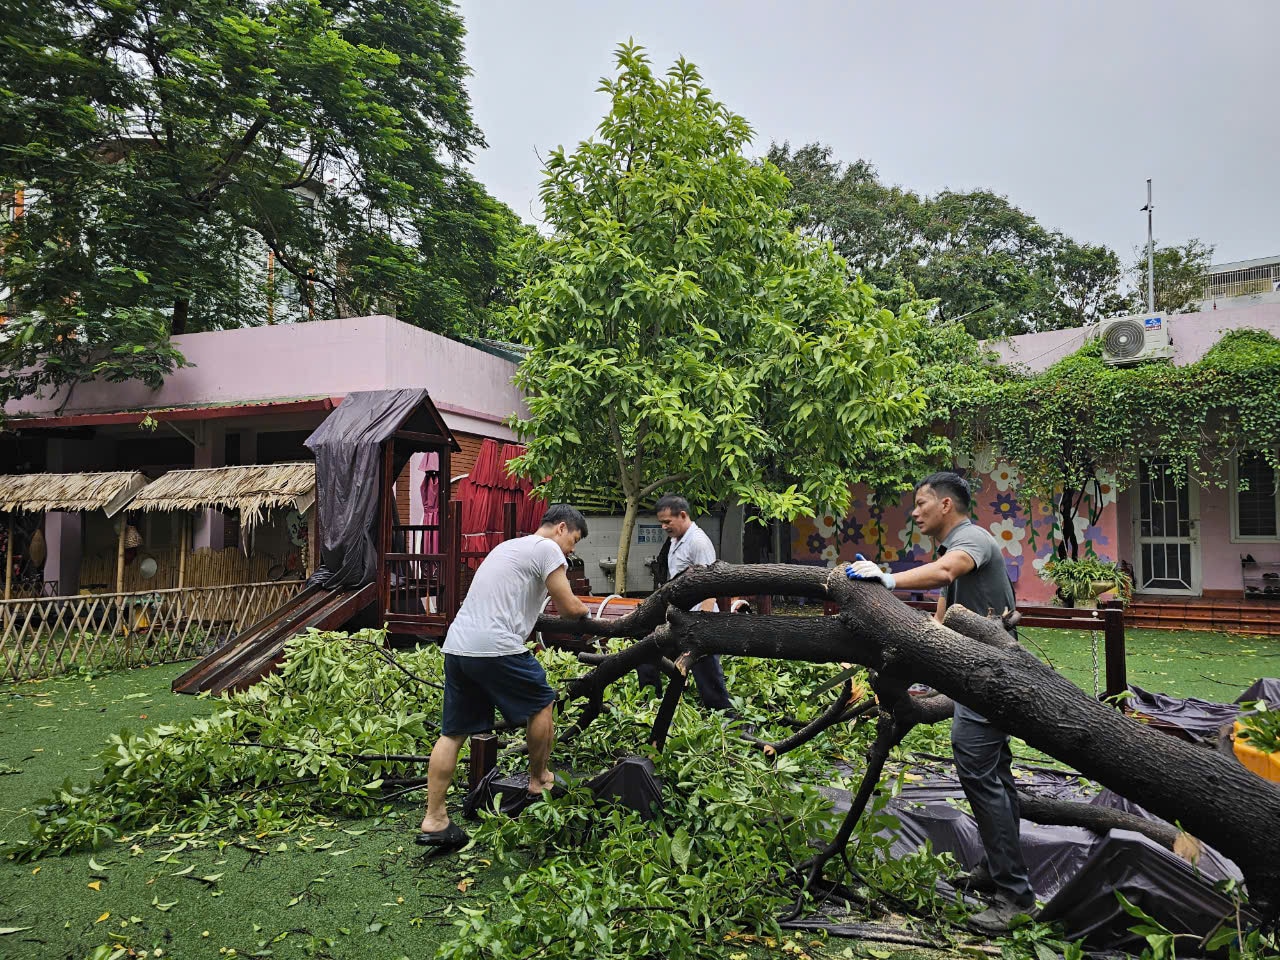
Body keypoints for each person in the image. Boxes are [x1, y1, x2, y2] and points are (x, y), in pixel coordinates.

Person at [845, 471, 1034, 933]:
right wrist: (928, 673)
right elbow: (944, 616)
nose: (914, 512)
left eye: (921, 503)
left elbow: (947, 573)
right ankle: (996, 870)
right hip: (976, 674)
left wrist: (888, 579)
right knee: (996, 774)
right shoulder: (957, 545)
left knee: (978, 771)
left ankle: (1016, 895)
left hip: (990, 677)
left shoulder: (971, 540)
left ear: (945, 505)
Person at [417, 504, 590, 850]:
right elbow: (570, 607)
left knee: (453, 733)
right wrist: (590, 613)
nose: (572, 549)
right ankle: (539, 779)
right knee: (543, 702)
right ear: (560, 528)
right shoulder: (547, 549)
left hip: (459, 646)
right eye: (574, 540)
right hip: (495, 646)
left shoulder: (508, 546)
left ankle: (435, 818)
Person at [636, 494, 734, 712]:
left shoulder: (698, 542)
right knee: (647, 653)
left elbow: (711, 587)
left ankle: (727, 716)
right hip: (679, 618)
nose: (663, 527)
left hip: (699, 622)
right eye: (661, 522)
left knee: (706, 672)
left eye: (667, 522)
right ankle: (650, 705)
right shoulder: (675, 540)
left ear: (682, 515)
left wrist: (703, 625)